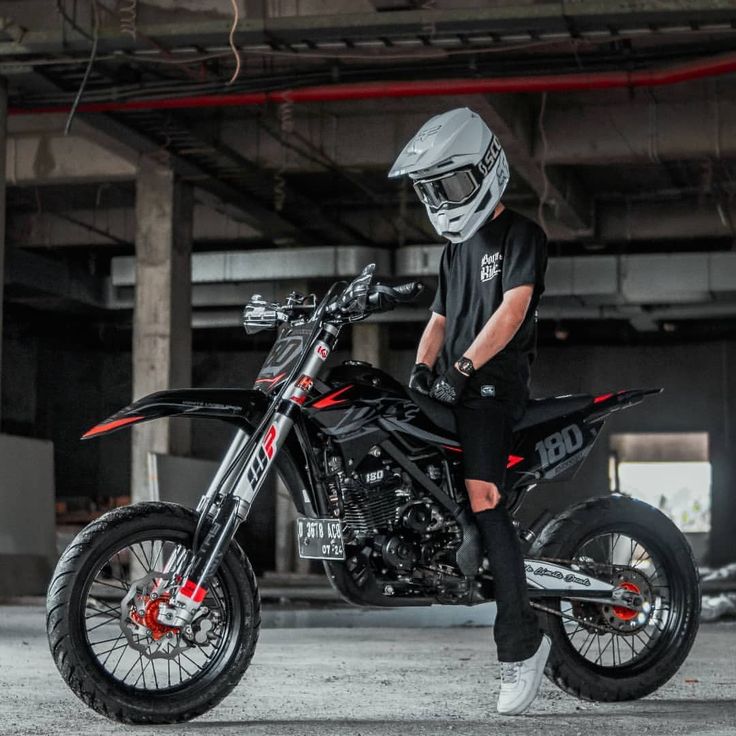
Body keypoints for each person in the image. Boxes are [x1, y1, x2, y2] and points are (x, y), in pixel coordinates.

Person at [389, 107, 550, 716]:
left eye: (452, 185)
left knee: (486, 498)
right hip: (453, 386)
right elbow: (438, 319)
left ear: (487, 171)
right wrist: (422, 371)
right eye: (434, 190)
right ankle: (450, 539)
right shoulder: (453, 251)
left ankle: (520, 645)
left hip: (491, 391)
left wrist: (462, 371)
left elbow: (511, 311)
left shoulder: (521, 236)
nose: (444, 200)